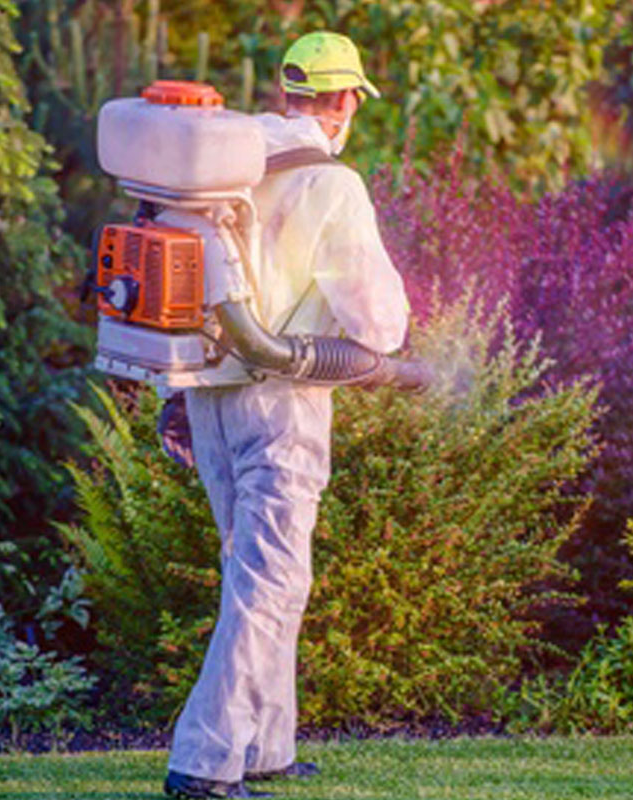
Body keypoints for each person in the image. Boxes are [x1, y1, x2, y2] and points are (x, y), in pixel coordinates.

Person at [163, 31, 410, 800]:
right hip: (281, 398)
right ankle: (205, 763)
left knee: (255, 571)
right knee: (270, 581)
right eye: (352, 100)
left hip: (207, 392)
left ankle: (266, 745)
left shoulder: (224, 169)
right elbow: (376, 321)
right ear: (343, 101)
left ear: (286, 93)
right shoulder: (331, 184)